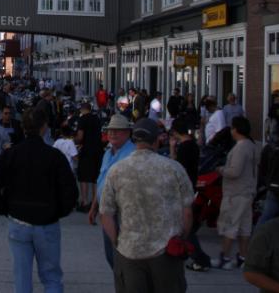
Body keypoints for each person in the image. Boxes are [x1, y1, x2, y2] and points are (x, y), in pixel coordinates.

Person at [0, 109, 78, 293]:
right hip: (47, 223)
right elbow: (70, 192)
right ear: (44, 128)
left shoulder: (11, 155)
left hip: (19, 222)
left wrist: (5, 209)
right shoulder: (54, 156)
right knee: (51, 277)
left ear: (23, 127)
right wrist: (57, 211)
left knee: (21, 278)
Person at [99, 118, 194, 293]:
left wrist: (117, 243)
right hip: (166, 253)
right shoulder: (174, 169)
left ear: (134, 139)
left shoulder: (117, 170)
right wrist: (181, 238)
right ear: (157, 140)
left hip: (130, 252)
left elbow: (105, 214)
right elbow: (187, 212)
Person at [89, 114, 136, 269]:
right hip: (107, 212)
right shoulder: (108, 153)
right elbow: (102, 181)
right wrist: (94, 206)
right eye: (110, 131)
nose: (113, 134)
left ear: (128, 133)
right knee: (111, 256)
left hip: (123, 212)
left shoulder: (132, 154)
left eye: (118, 131)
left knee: (122, 257)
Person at [213, 116, 260, 269]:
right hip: (248, 190)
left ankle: (225, 257)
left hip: (236, 192)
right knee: (245, 227)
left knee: (230, 225)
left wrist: (221, 170)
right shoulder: (252, 146)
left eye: (232, 128)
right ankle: (243, 257)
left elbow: (235, 171)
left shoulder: (240, 148)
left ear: (236, 129)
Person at [169, 118, 210, 272]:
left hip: (182, 188)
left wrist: (172, 148)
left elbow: (176, 167)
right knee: (186, 225)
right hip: (190, 185)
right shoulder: (192, 145)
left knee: (186, 227)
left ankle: (199, 258)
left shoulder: (184, 147)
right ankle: (195, 255)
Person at [75, 102, 103, 212]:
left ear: (82, 109)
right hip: (98, 150)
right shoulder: (97, 119)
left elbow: (80, 136)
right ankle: (95, 202)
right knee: (95, 177)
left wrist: (75, 140)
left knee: (84, 177)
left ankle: (85, 201)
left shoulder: (82, 119)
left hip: (86, 150)